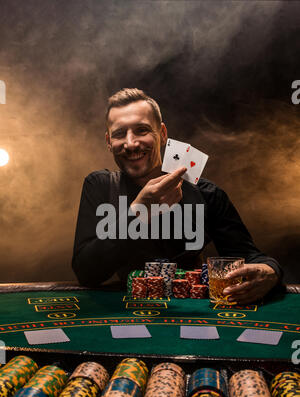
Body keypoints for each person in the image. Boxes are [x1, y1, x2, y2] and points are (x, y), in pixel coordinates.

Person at [72, 88, 282, 304]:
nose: (131, 143)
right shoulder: (100, 186)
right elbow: (86, 272)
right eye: (119, 134)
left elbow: (253, 258)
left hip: (192, 318)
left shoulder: (206, 194)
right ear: (108, 142)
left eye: (142, 130)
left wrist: (270, 271)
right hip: (125, 315)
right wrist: (138, 212)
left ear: (162, 134)